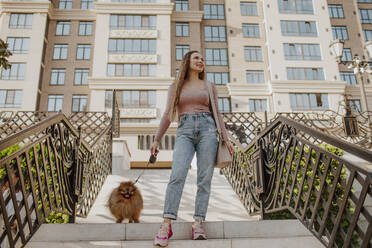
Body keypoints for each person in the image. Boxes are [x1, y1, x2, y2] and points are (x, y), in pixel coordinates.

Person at [151, 50, 233, 247]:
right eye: (196, 58)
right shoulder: (176, 87)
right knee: (177, 175)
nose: (201, 61)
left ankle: (198, 223)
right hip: (185, 131)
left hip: (208, 130)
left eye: (203, 59)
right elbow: (167, 115)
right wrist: (156, 140)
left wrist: (226, 138)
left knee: (204, 179)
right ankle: (166, 224)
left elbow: (217, 113)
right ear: (187, 61)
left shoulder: (209, 86)